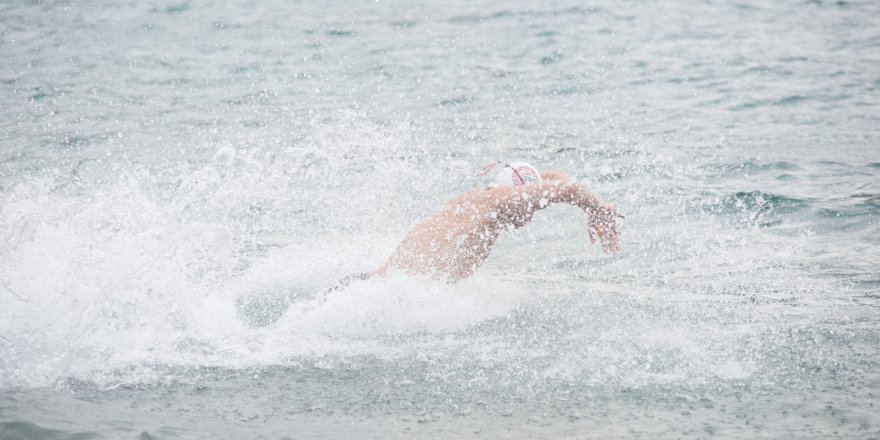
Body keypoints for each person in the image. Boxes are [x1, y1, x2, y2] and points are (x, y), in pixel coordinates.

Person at [366, 161, 623, 281]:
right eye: (528, 208)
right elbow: (569, 188)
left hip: (393, 285)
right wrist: (597, 209)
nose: (529, 216)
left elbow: (555, 177)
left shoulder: (487, 199)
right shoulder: (500, 200)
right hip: (389, 291)